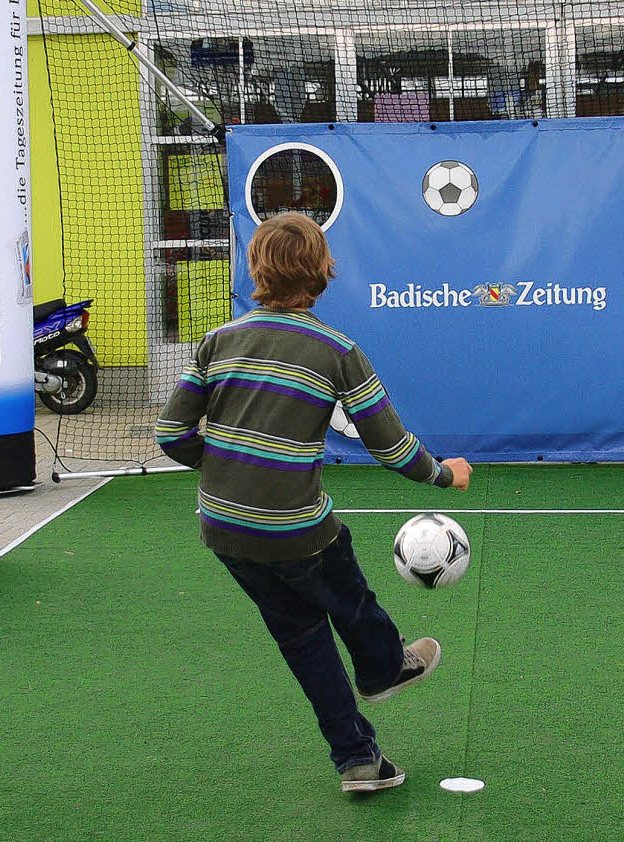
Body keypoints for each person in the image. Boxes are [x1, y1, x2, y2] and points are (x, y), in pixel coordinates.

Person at [154, 212, 472, 793]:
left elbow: (171, 434)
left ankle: (358, 761)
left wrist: (225, 464)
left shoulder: (217, 341)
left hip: (223, 530)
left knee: (302, 638)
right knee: (347, 592)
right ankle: (382, 668)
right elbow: (392, 447)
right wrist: (443, 477)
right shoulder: (336, 350)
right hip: (294, 529)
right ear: (324, 272)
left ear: (256, 269)